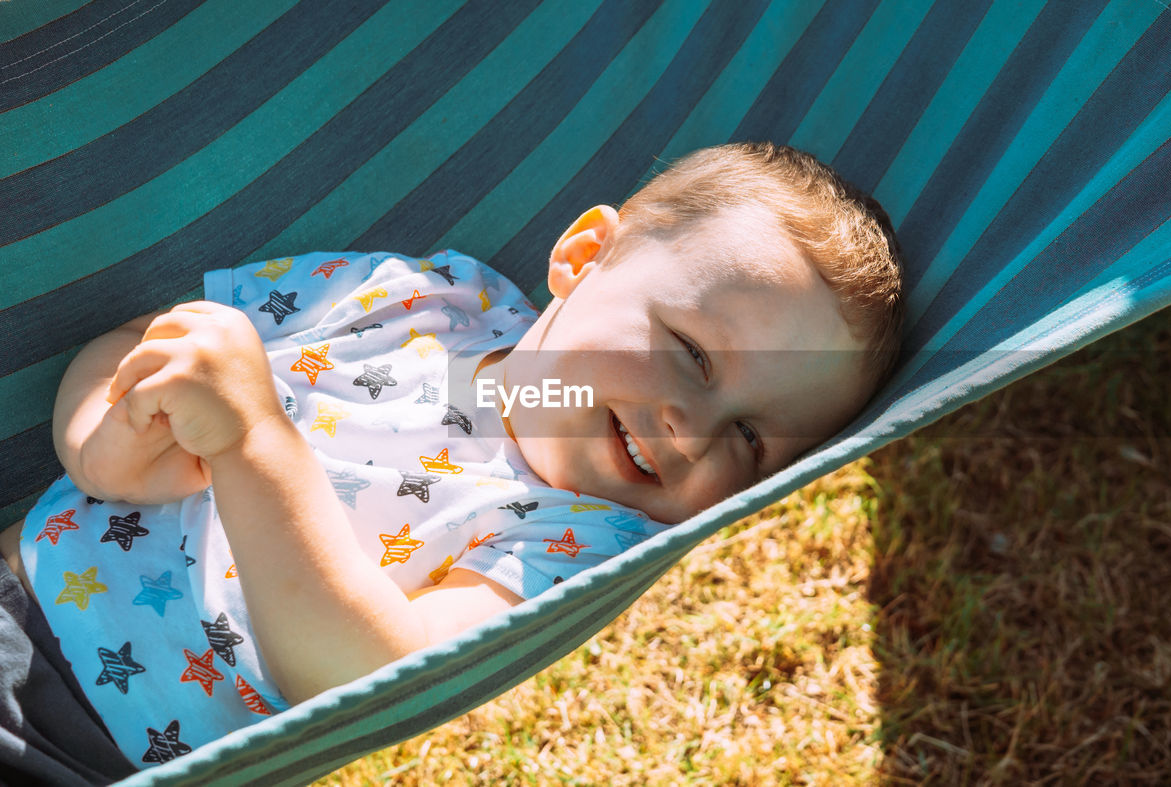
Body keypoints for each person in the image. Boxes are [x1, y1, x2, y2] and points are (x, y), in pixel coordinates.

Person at [0, 142, 902, 777]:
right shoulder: (429, 295)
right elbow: (143, 349)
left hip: (82, 750)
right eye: (695, 356)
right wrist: (106, 450)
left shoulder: (571, 542)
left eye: (750, 440)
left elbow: (362, 675)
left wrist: (250, 443)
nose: (692, 428)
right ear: (584, 256)